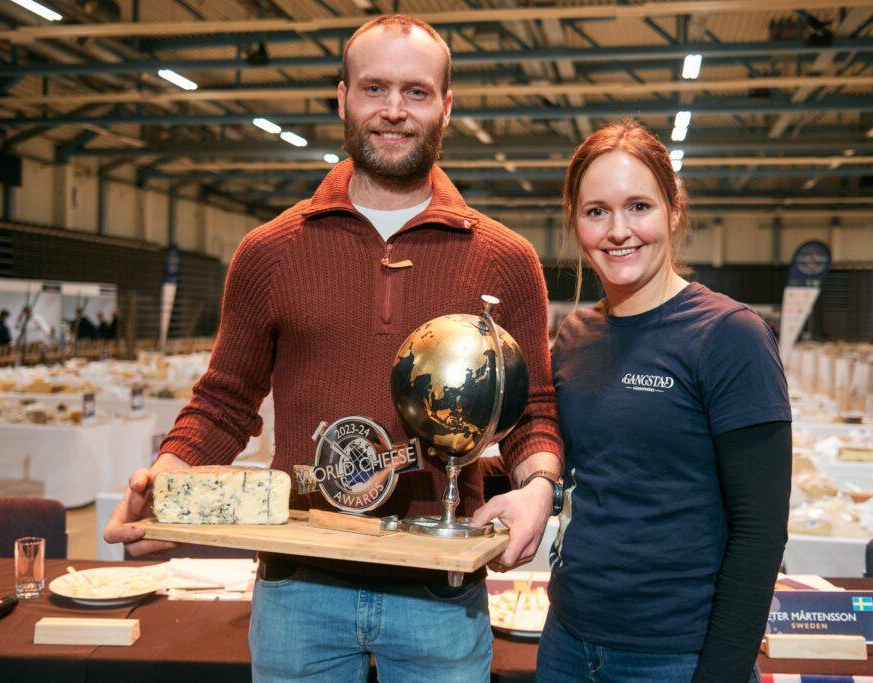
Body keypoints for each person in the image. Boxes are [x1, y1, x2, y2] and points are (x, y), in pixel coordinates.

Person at [104, 14, 563, 682]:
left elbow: (534, 407)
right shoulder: (269, 251)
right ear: (341, 95)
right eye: (375, 88)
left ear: (447, 106)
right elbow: (225, 402)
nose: (394, 111)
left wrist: (539, 485)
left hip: (438, 588)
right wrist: (166, 476)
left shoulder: (505, 258)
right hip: (299, 590)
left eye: (417, 92)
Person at [539, 119, 791, 682]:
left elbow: (761, 529)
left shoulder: (730, 335)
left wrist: (721, 673)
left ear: (674, 210)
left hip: (675, 654)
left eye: (639, 207)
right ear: (576, 221)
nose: (618, 231)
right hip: (567, 640)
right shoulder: (577, 336)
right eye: (596, 211)